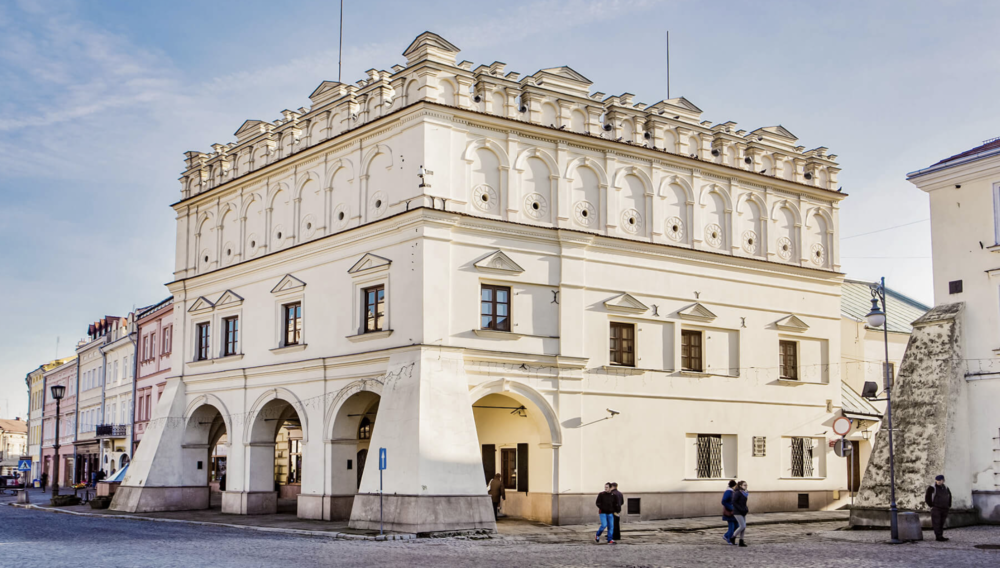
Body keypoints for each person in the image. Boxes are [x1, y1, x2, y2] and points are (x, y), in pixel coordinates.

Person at [925, 474, 952, 542]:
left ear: (943, 481)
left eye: (940, 480)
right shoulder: (932, 488)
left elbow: (949, 496)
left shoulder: (946, 487)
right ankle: (938, 536)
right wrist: (931, 505)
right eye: (937, 480)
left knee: (941, 522)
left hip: (945, 508)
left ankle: (941, 535)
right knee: (936, 522)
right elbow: (927, 497)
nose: (939, 482)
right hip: (936, 508)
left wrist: (949, 505)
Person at [732, 480, 749, 547]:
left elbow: (744, 503)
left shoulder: (745, 493)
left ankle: (741, 541)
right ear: (740, 486)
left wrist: (746, 509)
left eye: (746, 485)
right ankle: (732, 537)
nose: (746, 486)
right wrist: (741, 509)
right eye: (744, 485)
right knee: (742, 526)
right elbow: (734, 502)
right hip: (737, 512)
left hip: (743, 511)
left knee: (743, 527)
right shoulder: (737, 493)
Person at [721, 480, 737, 545]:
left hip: (734, 512)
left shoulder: (733, 492)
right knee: (731, 527)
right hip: (729, 513)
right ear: (733, 486)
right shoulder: (728, 492)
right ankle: (729, 539)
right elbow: (723, 501)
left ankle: (726, 536)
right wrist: (731, 507)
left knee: (737, 526)